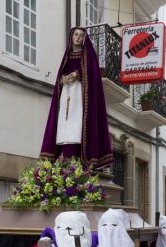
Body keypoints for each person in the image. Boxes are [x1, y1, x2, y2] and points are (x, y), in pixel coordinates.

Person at [40, 28, 113, 169]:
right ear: (71, 37)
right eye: (76, 34)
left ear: (84, 38)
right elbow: (59, 79)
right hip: (66, 95)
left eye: (81, 35)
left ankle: (77, 159)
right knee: (64, 126)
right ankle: (63, 159)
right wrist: (62, 79)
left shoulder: (88, 56)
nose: (78, 38)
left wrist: (78, 75)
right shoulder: (66, 56)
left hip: (80, 97)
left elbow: (93, 77)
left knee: (77, 125)